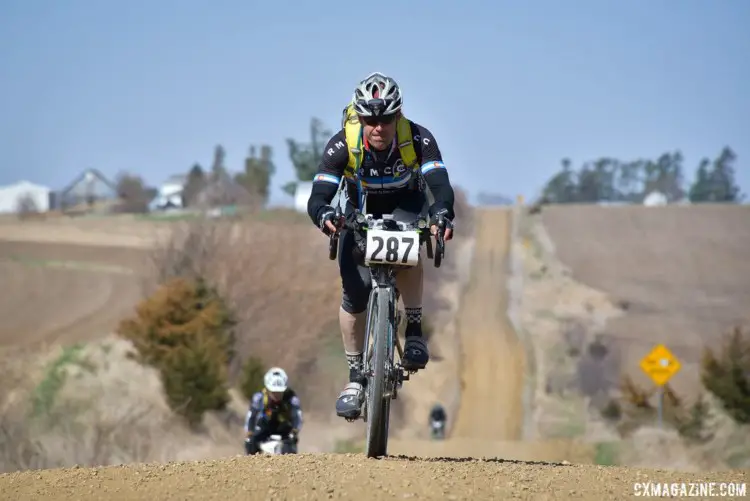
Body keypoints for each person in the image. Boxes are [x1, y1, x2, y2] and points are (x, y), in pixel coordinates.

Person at [307, 71, 456, 420]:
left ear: (398, 115)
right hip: (360, 211)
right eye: (370, 119)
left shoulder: (419, 139)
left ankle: (415, 329)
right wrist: (325, 213)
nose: (378, 127)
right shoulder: (343, 144)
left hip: (406, 204)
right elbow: (317, 196)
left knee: (411, 245)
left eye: (386, 119)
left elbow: (440, 184)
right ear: (359, 117)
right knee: (354, 295)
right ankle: (356, 377)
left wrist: (442, 213)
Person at [244, 367, 303, 455]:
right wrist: (249, 432)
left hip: (285, 429)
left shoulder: (292, 400)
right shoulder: (259, 398)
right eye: (273, 392)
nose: (276, 395)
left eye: (279, 392)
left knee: (290, 447)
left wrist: (294, 432)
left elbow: (297, 418)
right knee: (251, 442)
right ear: (267, 389)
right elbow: (251, 416)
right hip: (264, 427)